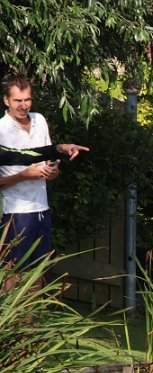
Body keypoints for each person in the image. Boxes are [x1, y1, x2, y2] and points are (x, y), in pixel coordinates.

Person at [0, 74, 89, 269]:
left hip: (41, 209)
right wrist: (24, 176)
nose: (23, 105)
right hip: (14, 212)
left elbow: (45, 157)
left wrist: (54, 170)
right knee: (13, 274)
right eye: (17, 100)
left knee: (39, 272)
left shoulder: (39, 120)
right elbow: (23, 158)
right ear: (6, 100)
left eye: (27, 99)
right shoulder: (2, 129)